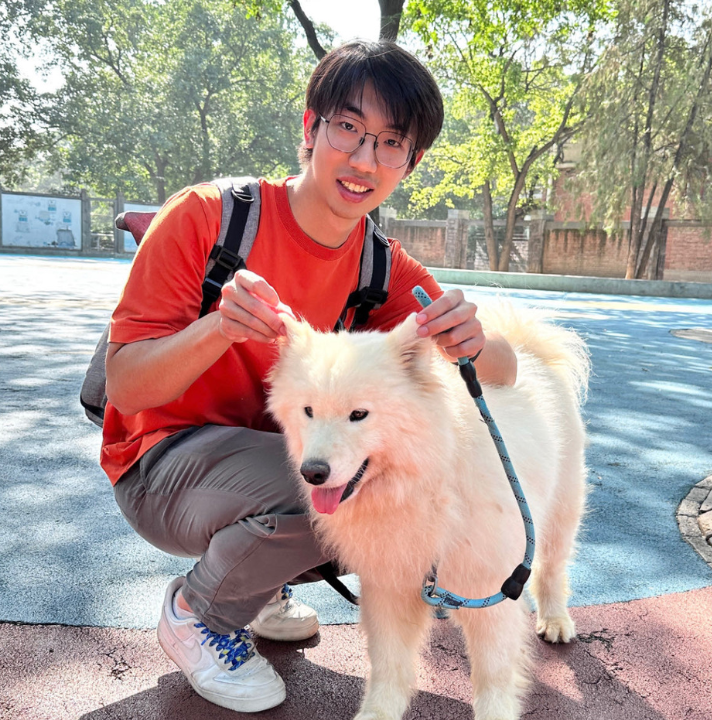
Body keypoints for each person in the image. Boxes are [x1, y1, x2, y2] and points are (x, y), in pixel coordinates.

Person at [99, 39, 518, 713]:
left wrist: (472, 339)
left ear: (410, 163)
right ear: (310, 126)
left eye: (391, 142)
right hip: (160, 466)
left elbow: (504, 369)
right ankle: (200, 614)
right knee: (338, 486)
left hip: (275, 461)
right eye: (348, 128)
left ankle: (262, 584)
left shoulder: (380, 266)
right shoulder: (208, 218)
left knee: (401, 483)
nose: (364, 160)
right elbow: (125, 386)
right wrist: (219, 327)